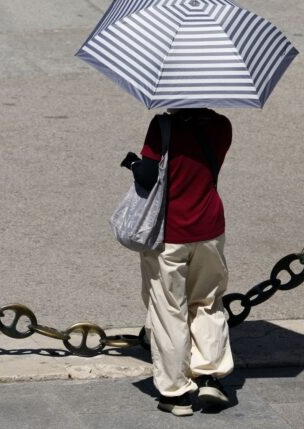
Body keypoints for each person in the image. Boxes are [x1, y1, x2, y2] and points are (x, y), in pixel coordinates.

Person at [120, 108, 233, 417]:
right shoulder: (223, 125)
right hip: (210, 228)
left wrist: (132, 161)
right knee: (207, 302)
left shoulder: (163, 126)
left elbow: (148, 174)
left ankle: (177, 392)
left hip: (170, 233)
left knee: (169, 310)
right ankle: (209, 376)